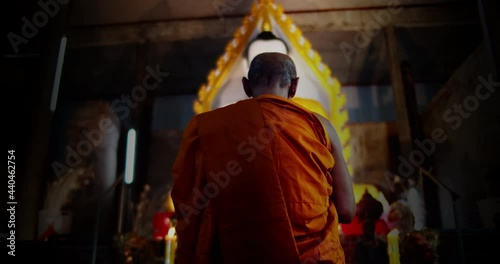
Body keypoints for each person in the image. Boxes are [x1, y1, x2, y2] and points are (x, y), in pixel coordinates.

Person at [171, 52, 355, 264]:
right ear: (294, 86)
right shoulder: (321, 126)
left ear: (246, 86)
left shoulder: (209, 127)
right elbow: (347, 211)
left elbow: (191, 206)